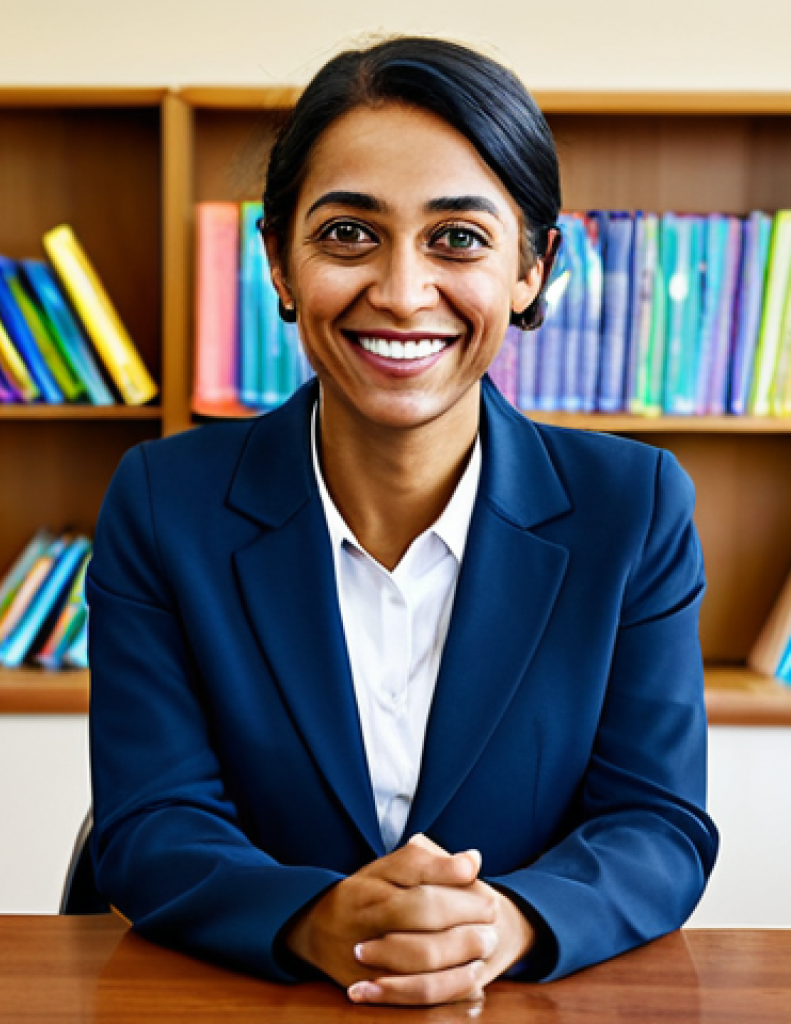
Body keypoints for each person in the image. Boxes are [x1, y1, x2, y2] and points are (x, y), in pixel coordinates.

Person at [86, 35, 718, 1007]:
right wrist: (309, 919)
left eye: (457, 239)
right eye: (347, 234)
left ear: (531, 267)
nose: (400, 291)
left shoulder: (632, 506)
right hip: (253, 999)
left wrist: (506, 922)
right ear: (279, 260)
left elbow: (656, 821)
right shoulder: (163, 499)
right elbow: (150, 817)